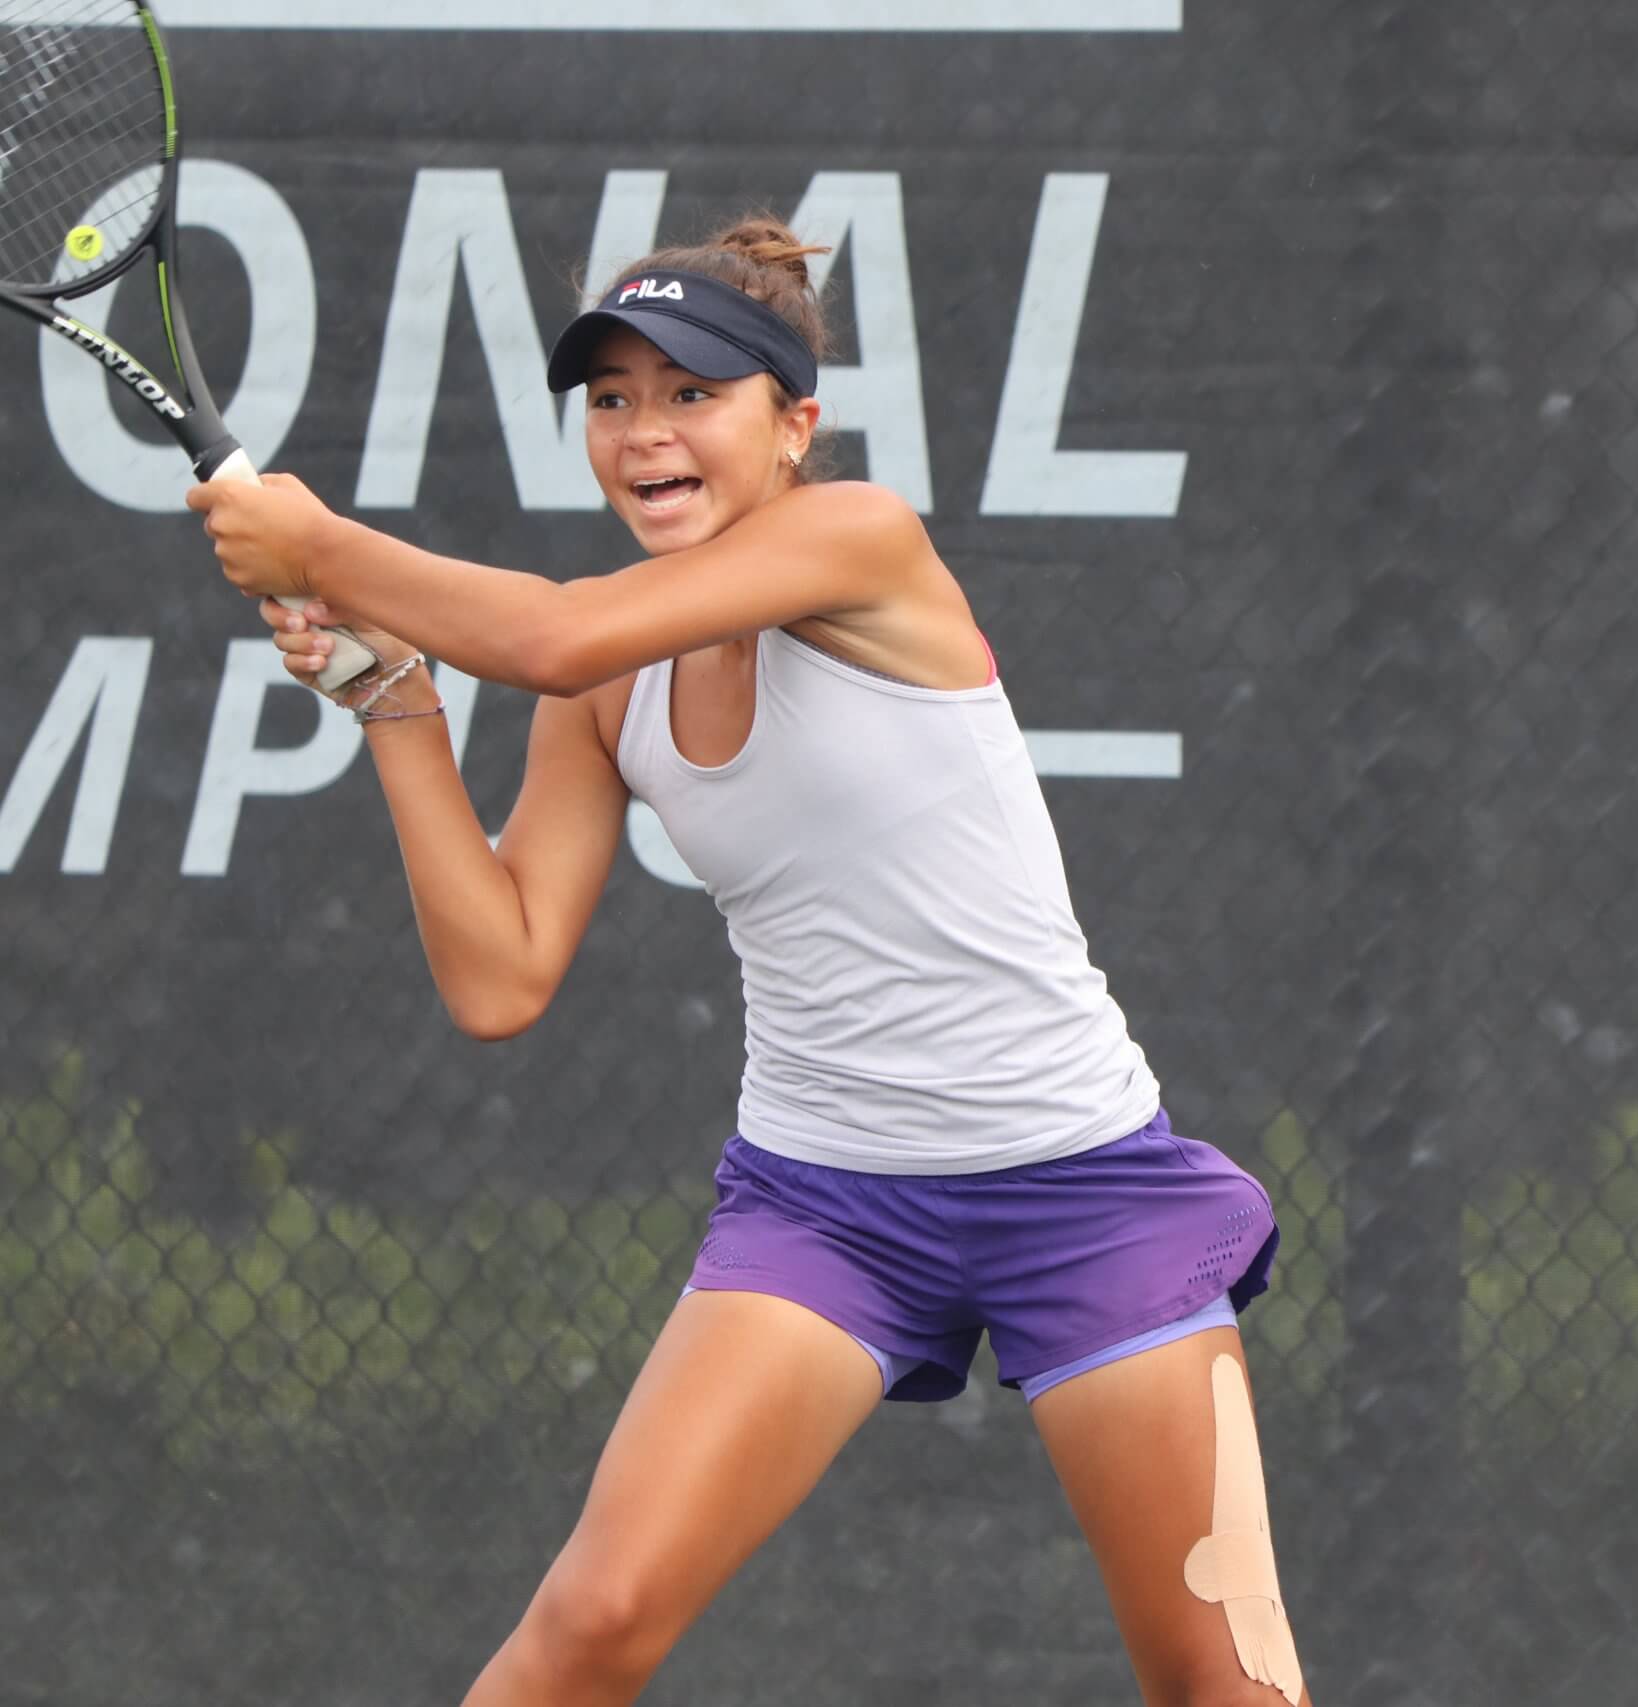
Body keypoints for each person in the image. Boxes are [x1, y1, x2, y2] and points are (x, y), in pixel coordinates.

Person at [187, 216, 1306, 1707]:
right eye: (611, 399)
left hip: (1080, 1186)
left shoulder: (863, 542)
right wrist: (398, 700)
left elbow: (555, 633)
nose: (645, 432)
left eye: (692, 393)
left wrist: (322, 546)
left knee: (1222, 1684)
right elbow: (502, 976)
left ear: (795, 426)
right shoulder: (607, 687)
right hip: (826, 1204)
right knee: (591, 1624)